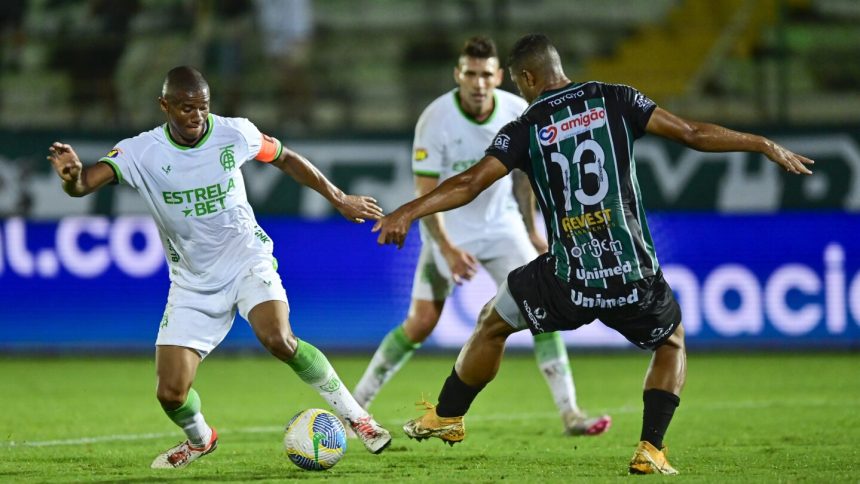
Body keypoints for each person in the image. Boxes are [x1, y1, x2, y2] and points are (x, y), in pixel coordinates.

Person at [373, 34, 814, 475]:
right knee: (671, 341)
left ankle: (448, 414)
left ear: (526, 77)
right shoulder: (616, 99)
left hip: (569, 276)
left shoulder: (526, 127)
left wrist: (408, 212)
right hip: (632, 271)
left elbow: (468, 184)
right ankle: (651, 448)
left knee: (492, 322)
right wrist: (761, 143)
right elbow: (693, 134)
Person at [46, 66, 392, 469]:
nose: (196, 116)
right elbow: (86, 183)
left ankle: (359, 419)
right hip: (192, 282)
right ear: (165, 106)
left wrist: (338, 197)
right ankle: (200, 440)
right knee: (170, 393)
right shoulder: (141, 152)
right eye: (186, 108)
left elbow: (284, 157)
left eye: (203, 108)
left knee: (279, 337)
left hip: (247, 258)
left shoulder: (234, 132)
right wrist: (72, 178)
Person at [352, 36, 610, 437]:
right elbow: (425, 195)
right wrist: (449, 249)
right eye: (469, 74)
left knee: (544, 315)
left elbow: (525, 179)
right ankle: (357, 408)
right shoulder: (434, 118)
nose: (477, 83)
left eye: (485, 74)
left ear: (499, 77)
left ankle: (570, 412)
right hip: (449, 231)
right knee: (420, 324)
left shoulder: (515, 109)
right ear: (458, 74)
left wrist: (531, 230)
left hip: (502, 227)